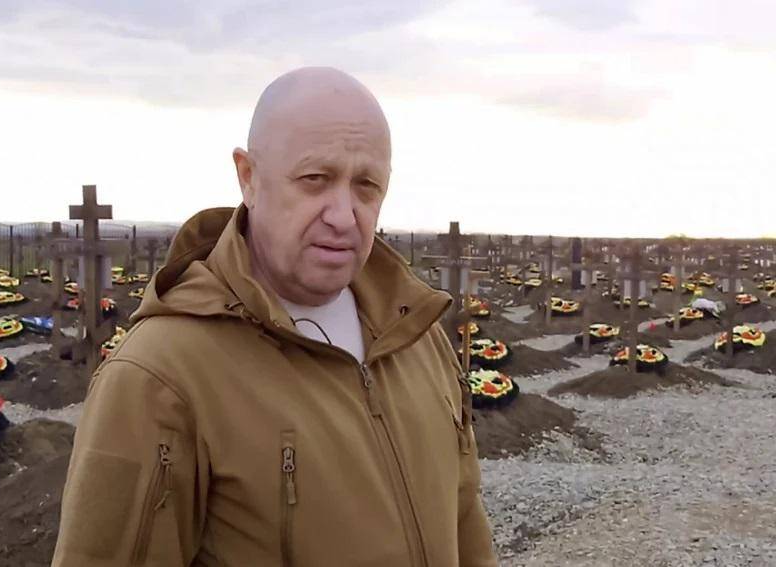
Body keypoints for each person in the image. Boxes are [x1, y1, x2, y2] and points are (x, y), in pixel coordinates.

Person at [52, 67, 497, 566]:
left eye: (367, 185)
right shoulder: (160, 376)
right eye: (315, 179)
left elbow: (465, 523)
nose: (343, 215)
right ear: (249, 178)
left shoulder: (416, 334)